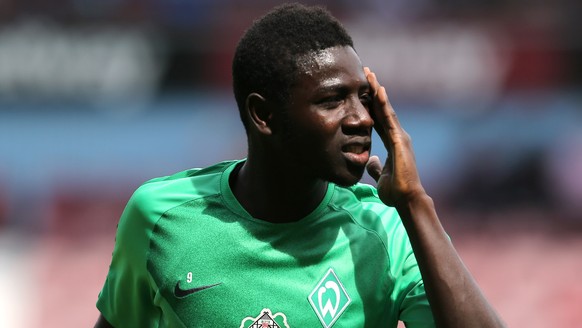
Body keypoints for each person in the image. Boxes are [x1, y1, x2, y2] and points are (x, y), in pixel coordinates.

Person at [95, 3, 505, 327]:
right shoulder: (158, 217)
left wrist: (415, 203)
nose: (361, 118)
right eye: (332, 100)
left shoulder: (387, 229)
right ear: (264, 116)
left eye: (363, 97)